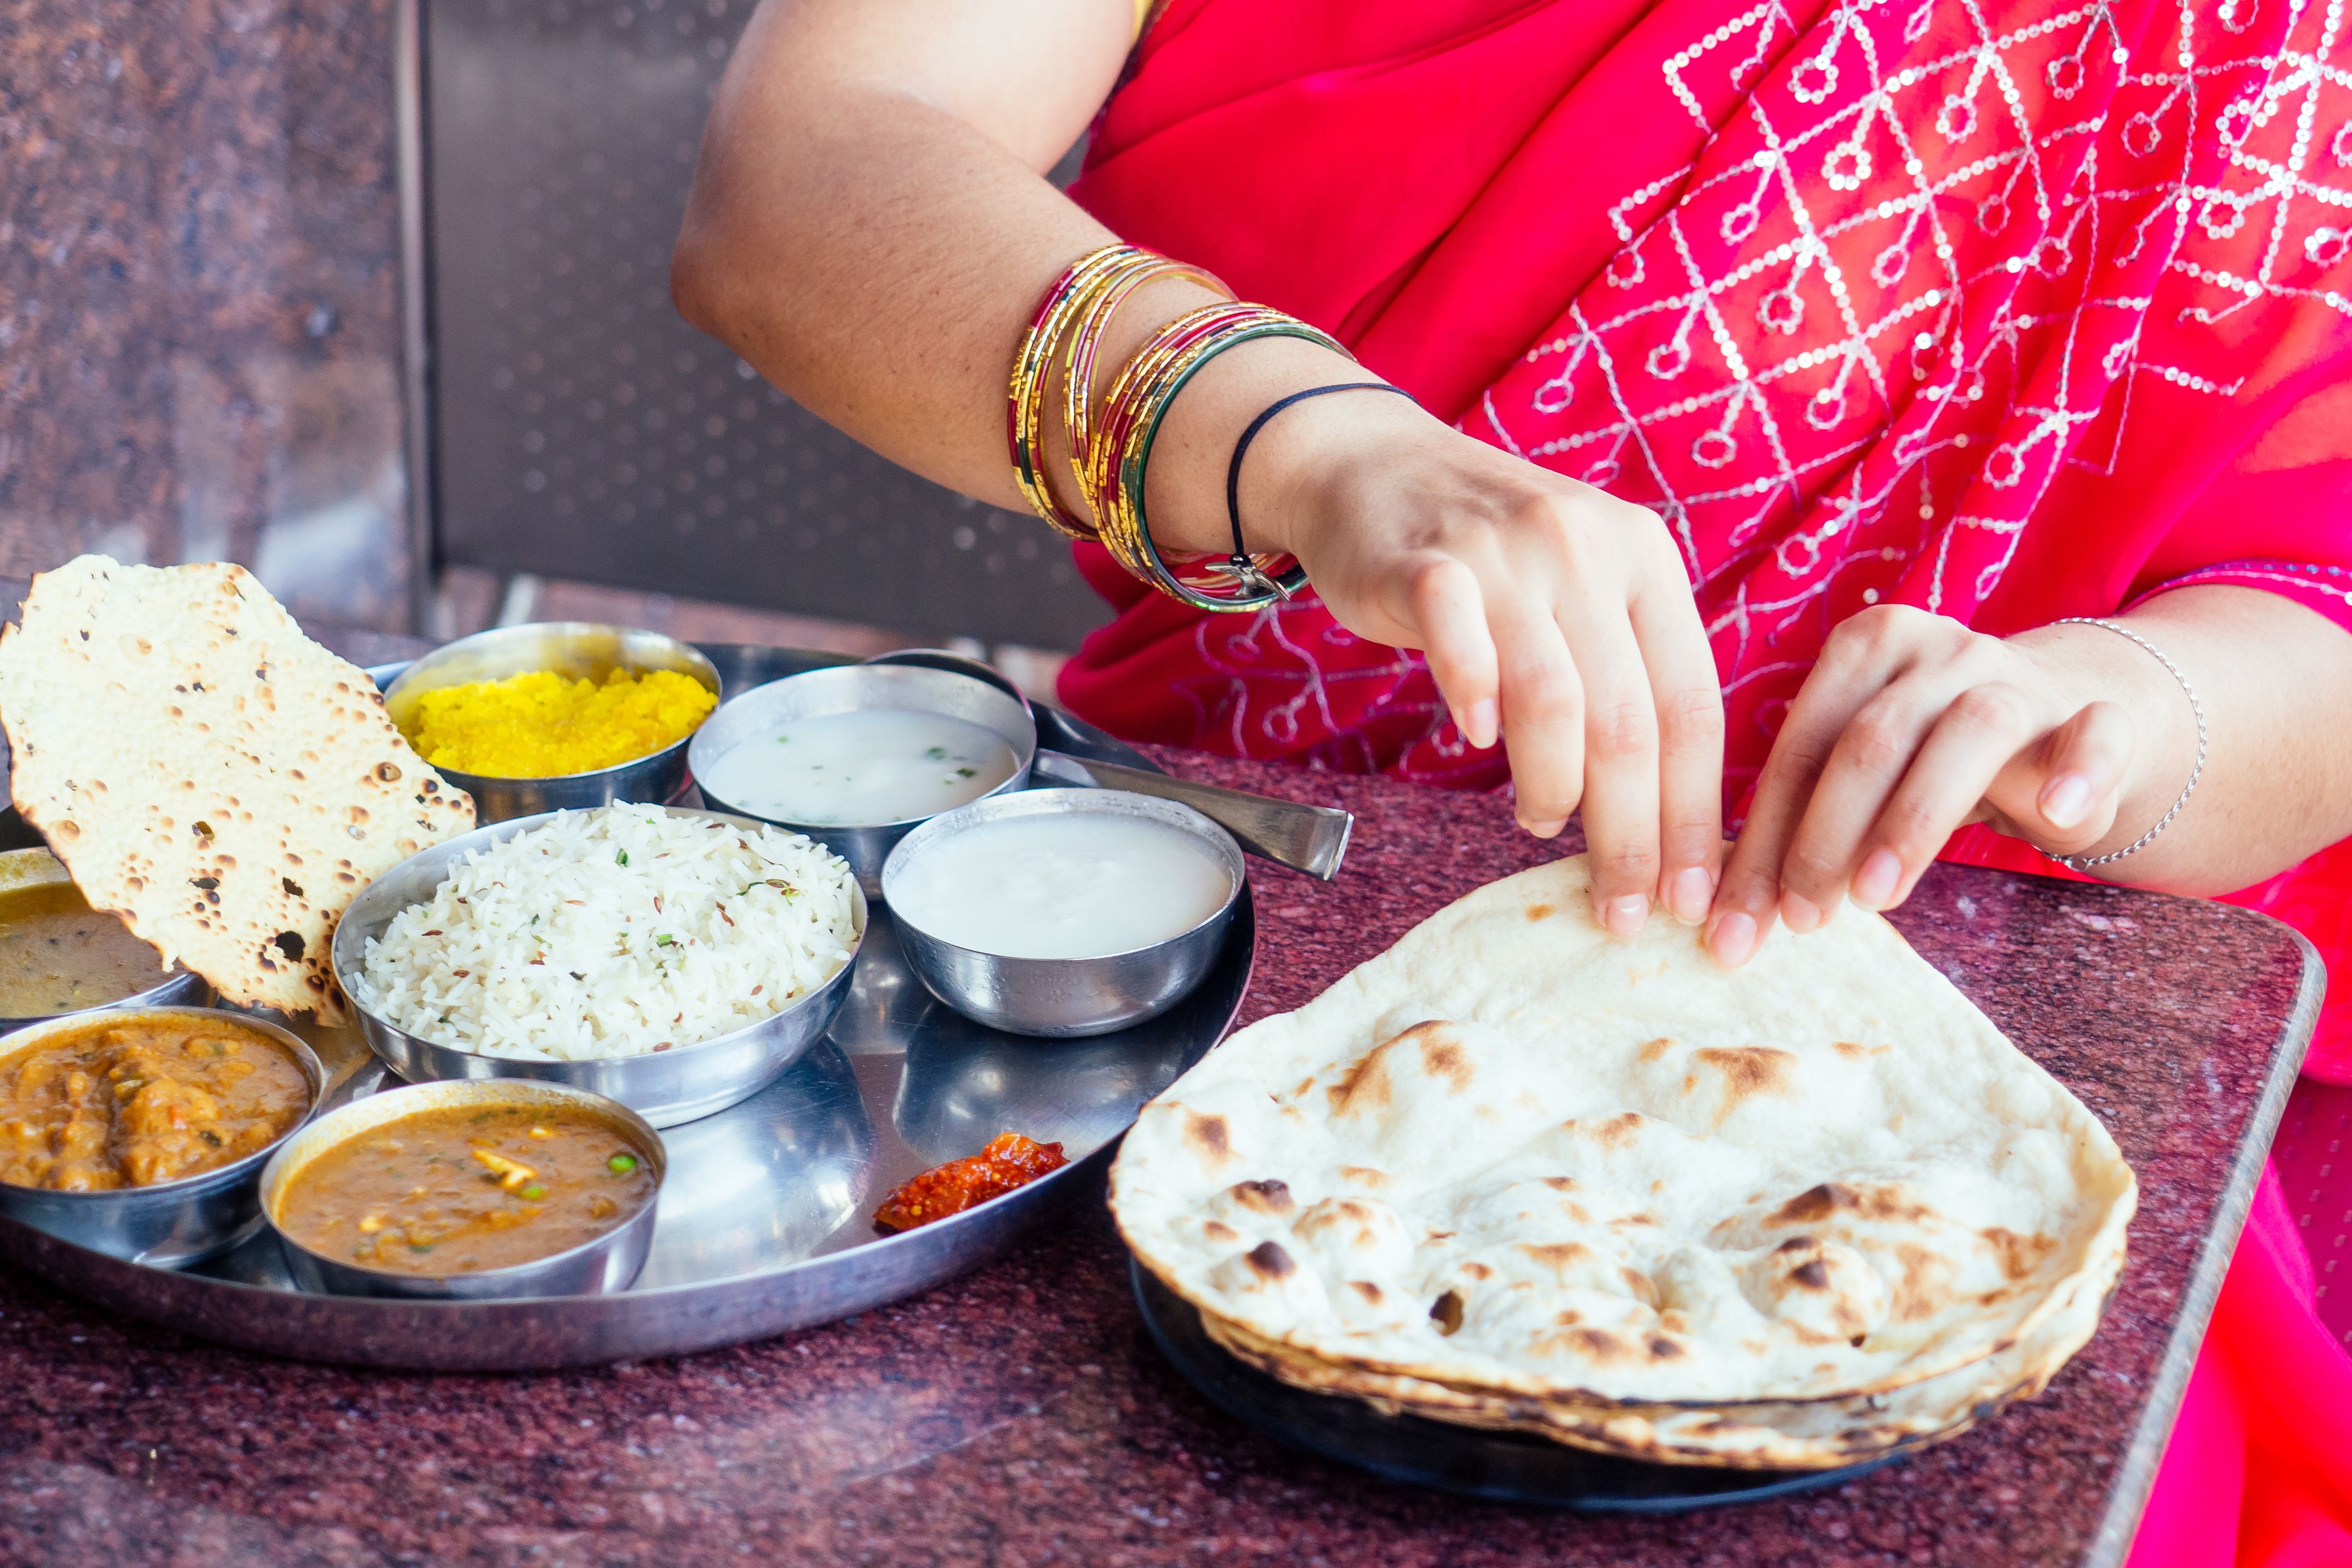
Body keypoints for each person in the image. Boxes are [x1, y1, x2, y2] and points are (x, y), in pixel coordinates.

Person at [671, 1, 2352, 1558]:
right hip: (1257, 943)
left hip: (1957, 1102)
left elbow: (2317, 611)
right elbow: (803, 173)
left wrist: (2120, 713)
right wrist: (1320, 450)